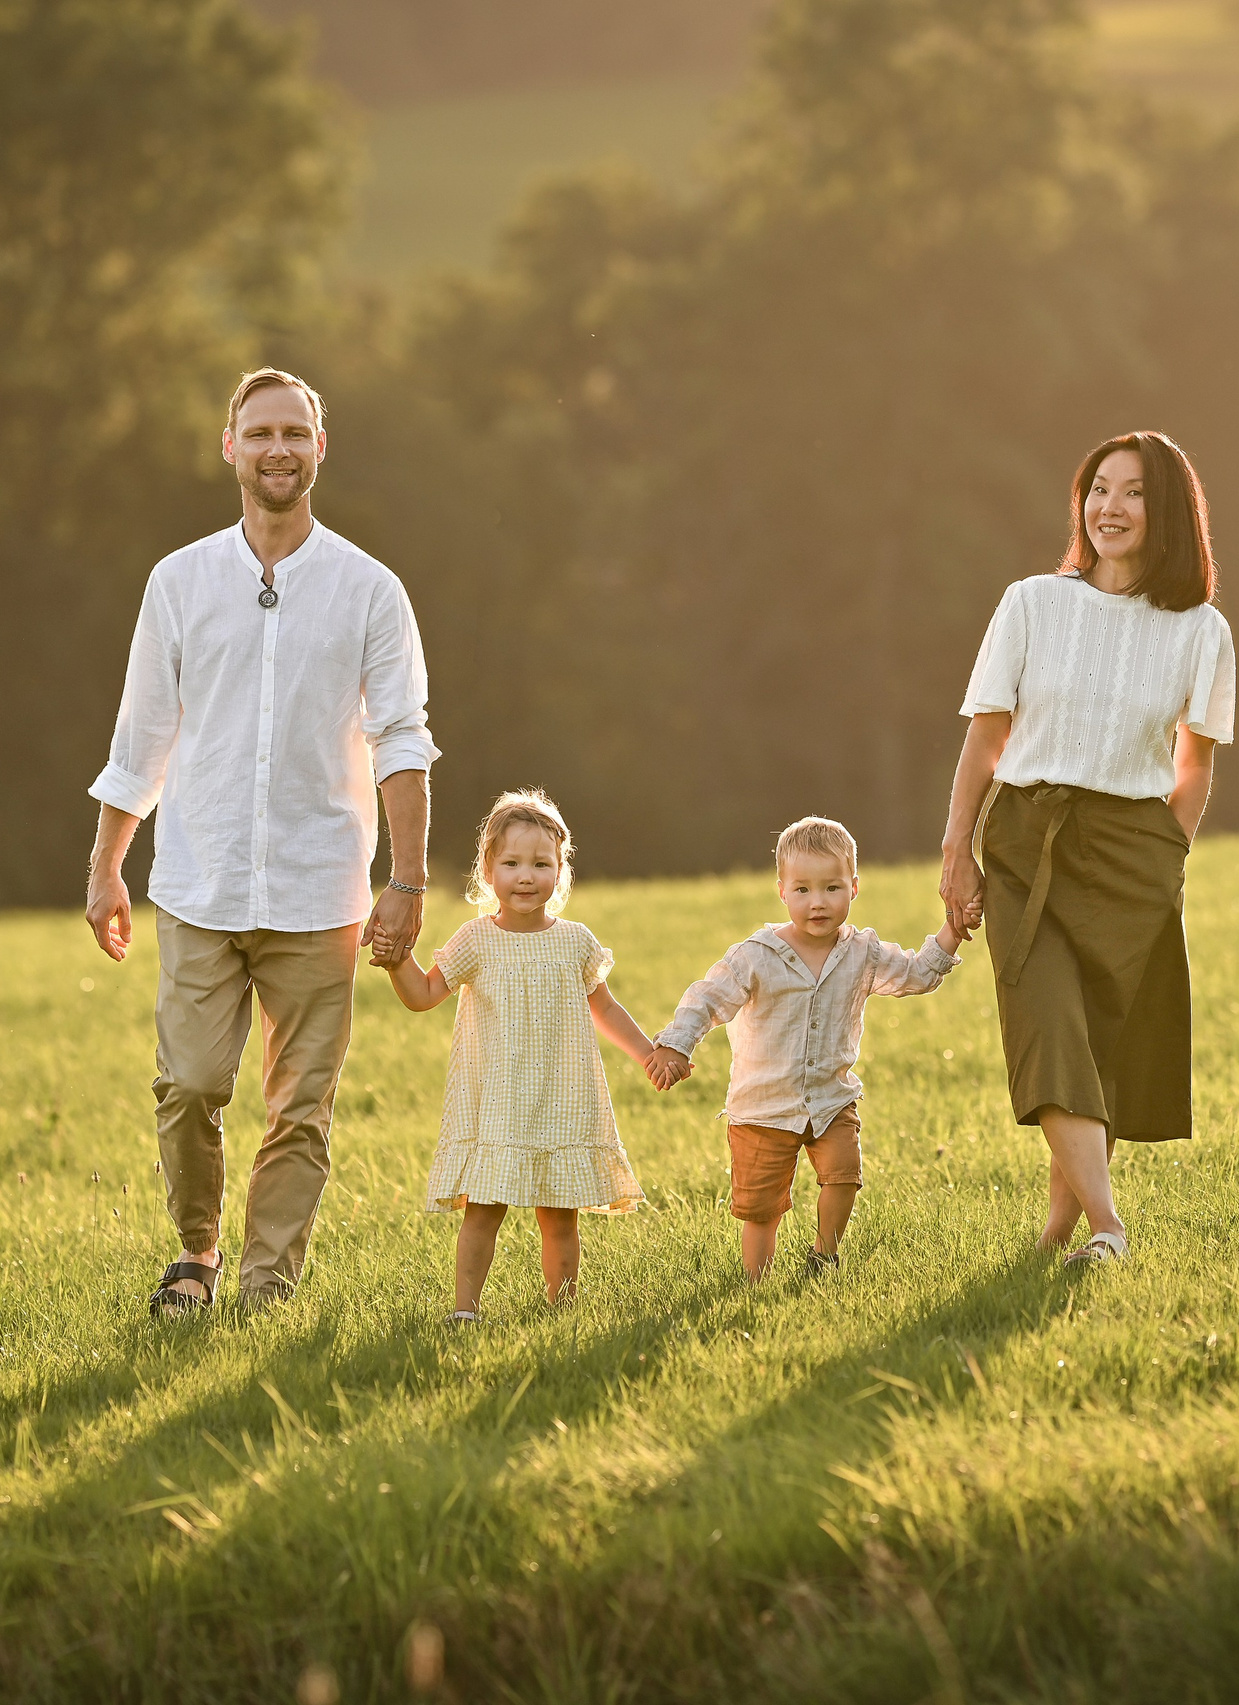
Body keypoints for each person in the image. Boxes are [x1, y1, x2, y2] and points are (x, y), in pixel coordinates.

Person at [84, 367, 437, 1317]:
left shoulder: (370, 589)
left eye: (295, 432)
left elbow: (402, 738)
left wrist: (406, 879)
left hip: (322, 891)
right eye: (261, 432)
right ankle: (198, 1248)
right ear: (229, 447)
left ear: (321, 449)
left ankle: (265, 1286)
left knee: (300, 1111)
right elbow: (142, 734)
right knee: (190, 1084)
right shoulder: (180, 580)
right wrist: (107, 862)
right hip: (199, 882)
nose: (278, 448)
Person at [937, 430, 1236, 1266]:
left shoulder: (1200, 630)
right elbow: (985, 737)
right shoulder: (1031, 602)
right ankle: (1111, 1228)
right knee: (1047, 1026)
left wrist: (1164, 858)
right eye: (1098, 488)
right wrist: (958, 847)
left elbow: (1195, 763)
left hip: (1132, 848)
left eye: (1133, 491)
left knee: (1100, 1043)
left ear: (1167, 509)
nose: (1109, 506)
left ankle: (1061, 1232)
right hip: (1028, 837)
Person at [648, 816, 966, 1280]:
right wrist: (676, 1046)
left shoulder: (863, 952)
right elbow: (706, 999)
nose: (818, 903)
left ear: (854, 887)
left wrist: (953, 929)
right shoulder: (755, 956)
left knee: (844, 1175)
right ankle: (756, 1282)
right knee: (761, 1209)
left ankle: (824, 1256)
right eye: (802, 890)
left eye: (832, 888)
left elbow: (917, 974)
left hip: (831, 1099)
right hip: (763, 1107)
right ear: (782, 891)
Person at [380, 790, 654, 1323]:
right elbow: (423, 996)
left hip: (561, 1096)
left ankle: (562, 1309)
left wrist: (647, 1054)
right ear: (488, 870)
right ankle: (465, 1310)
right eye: (511, 863)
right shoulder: (476, 940)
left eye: (540, 864)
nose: (526, 876)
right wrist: (398, 962)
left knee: (560, 1217)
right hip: (499, 1101)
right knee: (484, 1212)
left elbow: (606, 1008)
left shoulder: (575, 942)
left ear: (560, 871)